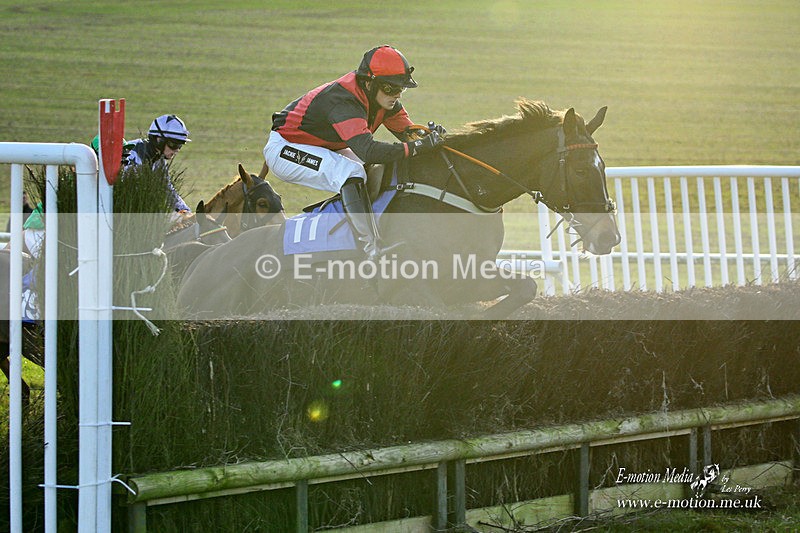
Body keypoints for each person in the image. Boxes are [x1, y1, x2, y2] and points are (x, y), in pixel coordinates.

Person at [264, 45, 447, 259]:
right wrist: (417, 147)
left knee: (375, 168)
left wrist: (432, 138)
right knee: (352, 172)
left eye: (401, 88)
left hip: (320, 145)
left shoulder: (383, 100)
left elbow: (409, 136)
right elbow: (369, 151)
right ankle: (369, 247)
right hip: (286, 149)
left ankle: (372, 227)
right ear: (369, 83)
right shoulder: (343, 101)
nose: (396, 94)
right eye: (390, 88)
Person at [124, 114, 192, 213]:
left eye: (180, 145)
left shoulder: (158, 159)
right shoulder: (132, 154)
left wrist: (186, 212)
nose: (176, 150)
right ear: (159, 140)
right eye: (174, 144)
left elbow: (167, 189)